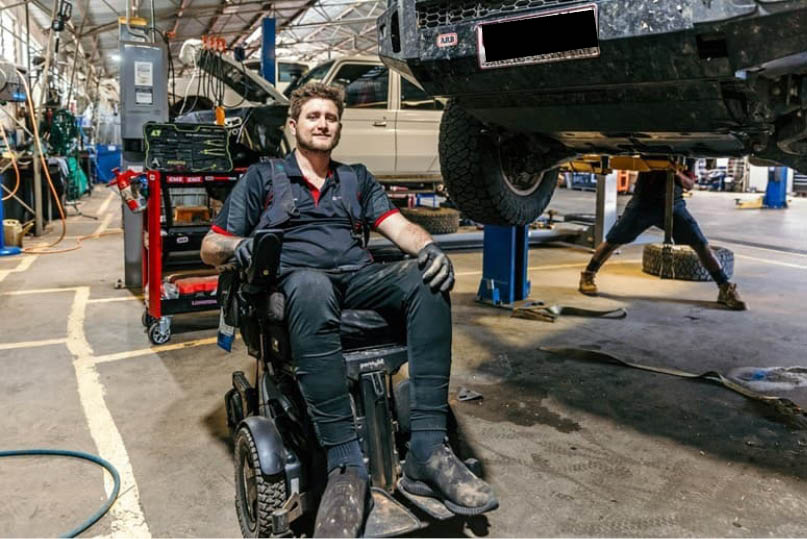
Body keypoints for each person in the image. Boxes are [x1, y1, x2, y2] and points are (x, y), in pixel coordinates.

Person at [201, 83, 497, 537]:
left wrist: (431, 249)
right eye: (313, 116)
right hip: (297, 284)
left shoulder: (355, 178)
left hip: (356, 278)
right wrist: (238, 247)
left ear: (339, 128)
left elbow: (400, 228)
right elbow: (210, 245)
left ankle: (427, 452)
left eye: (331, 118)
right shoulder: (263, 178)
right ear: (293, 124)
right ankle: (345, 467)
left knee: (425, 279)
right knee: (311, 285)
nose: (322, 124)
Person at [578, 166, 747, 310]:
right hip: (642, 204)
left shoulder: (685, 155)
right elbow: (635, 164)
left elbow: (689, 184)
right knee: (612, 242)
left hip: (674, 206)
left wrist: (676, 172)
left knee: (701, 245)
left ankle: (725, 288)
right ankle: (588, 275)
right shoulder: (650, 150)